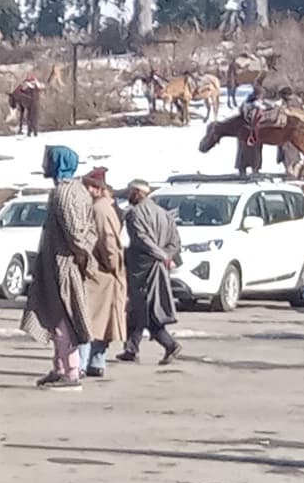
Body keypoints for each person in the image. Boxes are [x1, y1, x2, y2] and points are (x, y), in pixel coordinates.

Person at [23, 146, 120, 385]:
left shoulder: (64, 192)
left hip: (62, 264)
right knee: (57, 317)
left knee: (63, 318)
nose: (44, 164)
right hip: (61, 263)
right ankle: (60, 367)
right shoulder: (76, 189)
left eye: (48, 160)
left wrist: (83, 257)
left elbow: (76, 232)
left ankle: (71, 371)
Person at [120, 174, 185, 366]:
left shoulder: (134, 214)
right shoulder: (163, 213)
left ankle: (170, 344)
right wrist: (166, 255)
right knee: (136, 309)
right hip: (158, 266)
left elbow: (141, 239)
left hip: (142, 269)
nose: (128, 195)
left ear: (138, 193)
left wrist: (160, 254)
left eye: (130, 192)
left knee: (146, 310)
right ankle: (131, 349)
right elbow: (175, 242)